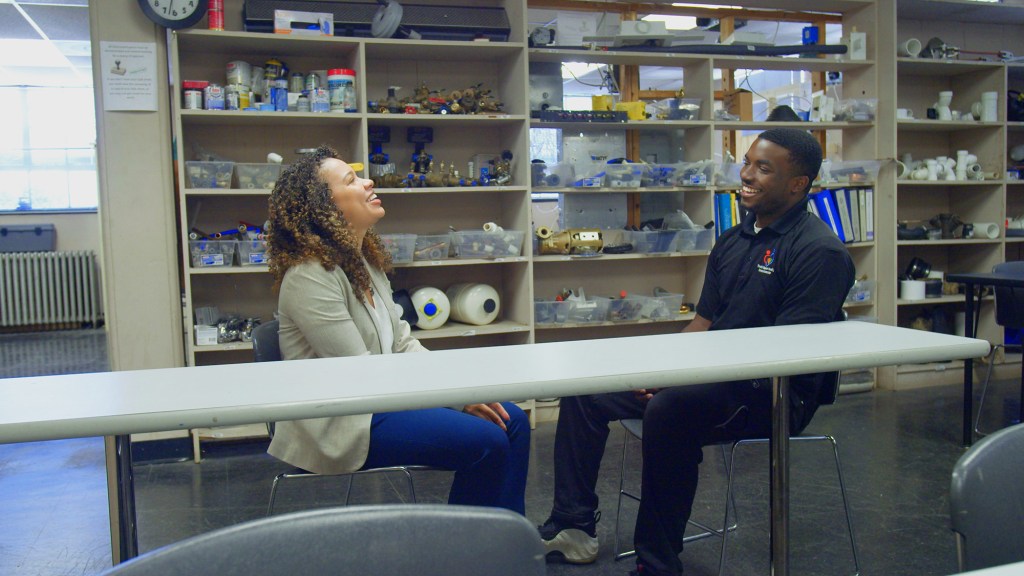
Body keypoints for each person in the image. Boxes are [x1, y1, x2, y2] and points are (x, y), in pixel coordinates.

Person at [538, 127, 855, 575]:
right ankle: (573, 527)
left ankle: (657, 564)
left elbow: (786, 356)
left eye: (763, 168)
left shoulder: (818, 252)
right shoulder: (732, 242)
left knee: (668, 410)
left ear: (798, 184)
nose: (746, 174)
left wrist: (676, 382)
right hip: (713, 379)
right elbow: (703, 324)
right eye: (747, 162)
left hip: (773, 394)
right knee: (588, 389)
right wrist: (661, 369)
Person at [264, 145, 529, 514]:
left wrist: (463, 389)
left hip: (383, 400)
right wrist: (455, 398)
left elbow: (403, 344)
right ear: (324, 206)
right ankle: (472, 552)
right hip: (345, 421)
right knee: (488, 439)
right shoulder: (310, 275)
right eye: (352, 180)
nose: (368, 181)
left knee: (512, 420)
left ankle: (506, 547)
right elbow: (362, 372)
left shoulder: (361, 261)